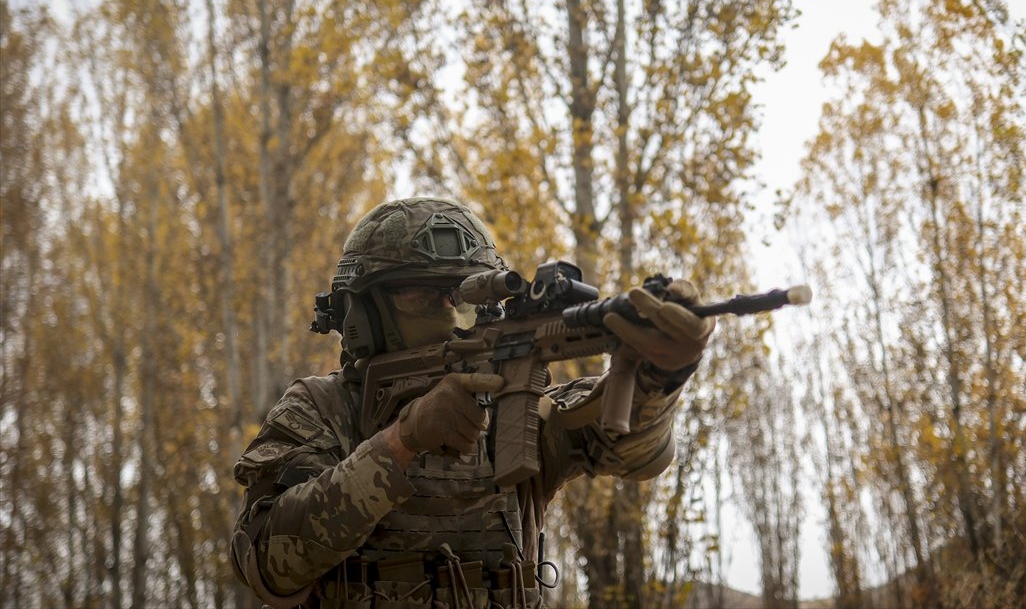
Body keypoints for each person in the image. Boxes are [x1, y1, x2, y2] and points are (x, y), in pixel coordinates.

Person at [231, 197, 714, 609]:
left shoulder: (511, 405)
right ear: (363, 312)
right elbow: (271, 564)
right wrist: (401, 441)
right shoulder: (319, 408)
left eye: (461, 297)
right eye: (423, 295)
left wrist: (660, 374)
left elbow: (634, 451)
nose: (450, 314)